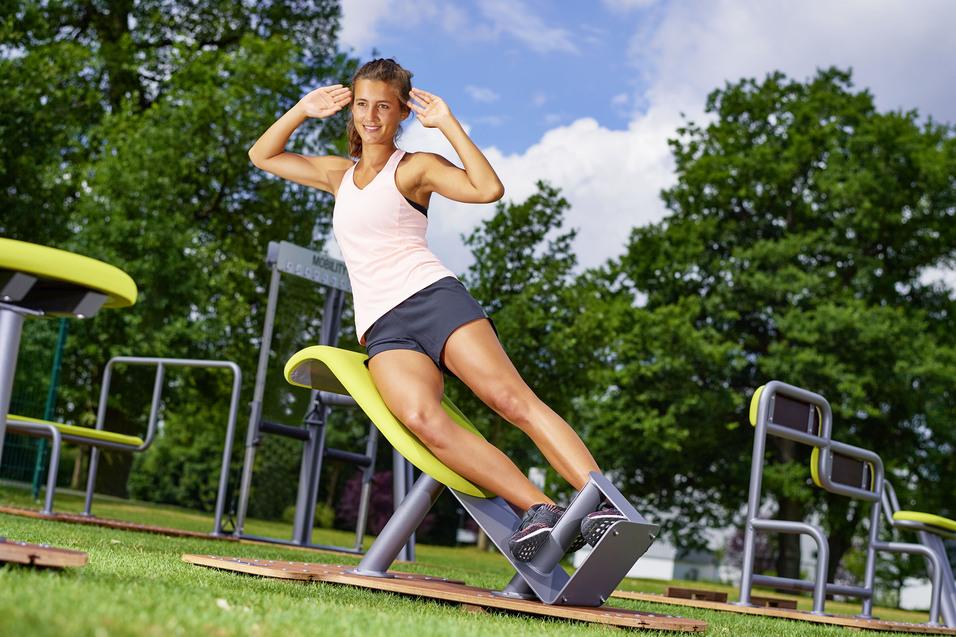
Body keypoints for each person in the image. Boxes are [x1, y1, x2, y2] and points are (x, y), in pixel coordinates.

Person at [249, 58, 624, 561]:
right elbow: (263, 155)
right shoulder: (338, 174)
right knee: (422, 420)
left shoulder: (416, 167)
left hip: (433, 299)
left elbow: (487, 189)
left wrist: (448, 125)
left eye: (383, 105)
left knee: (510, 401)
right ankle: (542, 510)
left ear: (402, 111)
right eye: (362, 105)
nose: (371, 116)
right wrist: (301, 109)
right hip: (383, 328)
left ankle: (603, 504)